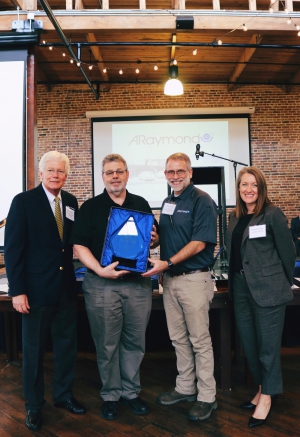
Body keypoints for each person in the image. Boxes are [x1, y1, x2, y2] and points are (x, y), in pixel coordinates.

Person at [70, 154, 159, 421]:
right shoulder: (91, 207)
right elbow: (79, 245)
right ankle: (110, 394)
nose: (115, 176)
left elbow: (150, 241)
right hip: (101, 285)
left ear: (127, 174)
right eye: (110, 173)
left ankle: (130, 392)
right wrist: (99, 269)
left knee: (134, 342)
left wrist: (154, 240)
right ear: (103, 177)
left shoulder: (140, 204)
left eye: (119, 171)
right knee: (107, 344)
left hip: (137, 285)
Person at [4, 151, 86, 432]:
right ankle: (34, 405)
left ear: (66, 175)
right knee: (34, 352)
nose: (55, 175)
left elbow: (75, 243)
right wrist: (17, 292)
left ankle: (63, 397)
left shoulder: (72, 202)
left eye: (60, 171)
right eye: (49, 170)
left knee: (66, 347)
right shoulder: (23, 202)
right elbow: (13, 251)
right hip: (35, 292)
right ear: (40, 174)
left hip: (65, 290)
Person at [143, 152, 218, 422]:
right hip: (171, 280)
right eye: (170, 172)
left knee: (199, 340)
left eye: (180, 171)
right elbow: (169, 237)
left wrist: (167, 262)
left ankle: (207, 396)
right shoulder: (167, 201)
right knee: (178, 339)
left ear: (190, 172)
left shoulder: (202, 200)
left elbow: (199, 242)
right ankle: (186, 387)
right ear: (165, 174)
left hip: (194, 279)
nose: (175, 176)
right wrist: (153, 241)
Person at [225, 166, 295, 428]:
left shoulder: (273, 215)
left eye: (253, 185)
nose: (248, 189)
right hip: (241, 288)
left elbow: (288, 253)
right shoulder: (234, 217)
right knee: (250, 346)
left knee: (267, 347)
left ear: (261, 188)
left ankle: (267, 396)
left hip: (269, 289)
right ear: (239, 188)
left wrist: (280, 284)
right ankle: (263, 388)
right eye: (244, 185)